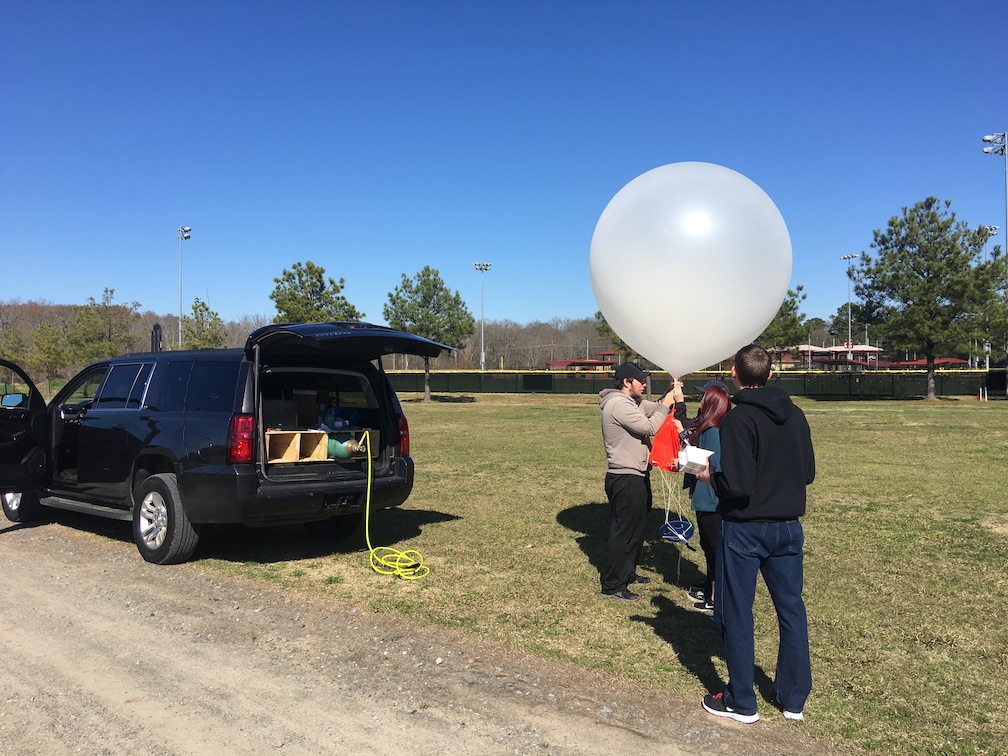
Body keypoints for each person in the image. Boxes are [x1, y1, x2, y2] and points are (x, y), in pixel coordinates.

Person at [696, 344, 815, 724]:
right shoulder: (796, 416)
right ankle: (793, 699)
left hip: (746, 529)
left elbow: (739, 484)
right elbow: (807, 473)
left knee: (737, 612)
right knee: (791, 610)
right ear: (770, 374)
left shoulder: (736, 421)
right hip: (788, 529)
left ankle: (742, 701)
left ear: (734, 373)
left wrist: (710, 475)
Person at [599, 362, 676, 601]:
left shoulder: (633, 402)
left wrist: (670, 393)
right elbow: (649, 426)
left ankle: (627, 572)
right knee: (623, 531)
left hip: (637, 475)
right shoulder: (618, 404)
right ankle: (613, 585)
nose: (644, 384)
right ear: (626, 383)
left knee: (636, 529)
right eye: (640, 380)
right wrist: (666, 404)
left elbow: (654, 408)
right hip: (625, 477)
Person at [680, 382, 731, 614]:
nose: (700, 401)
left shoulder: (712, 430)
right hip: (708, 497)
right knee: (709, 547)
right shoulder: (712, 427)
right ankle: (711, 588)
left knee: (713, 549)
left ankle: (715, 597)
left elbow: (714, 464)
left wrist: (687, 461)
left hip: (711, 500)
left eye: (704, 398)